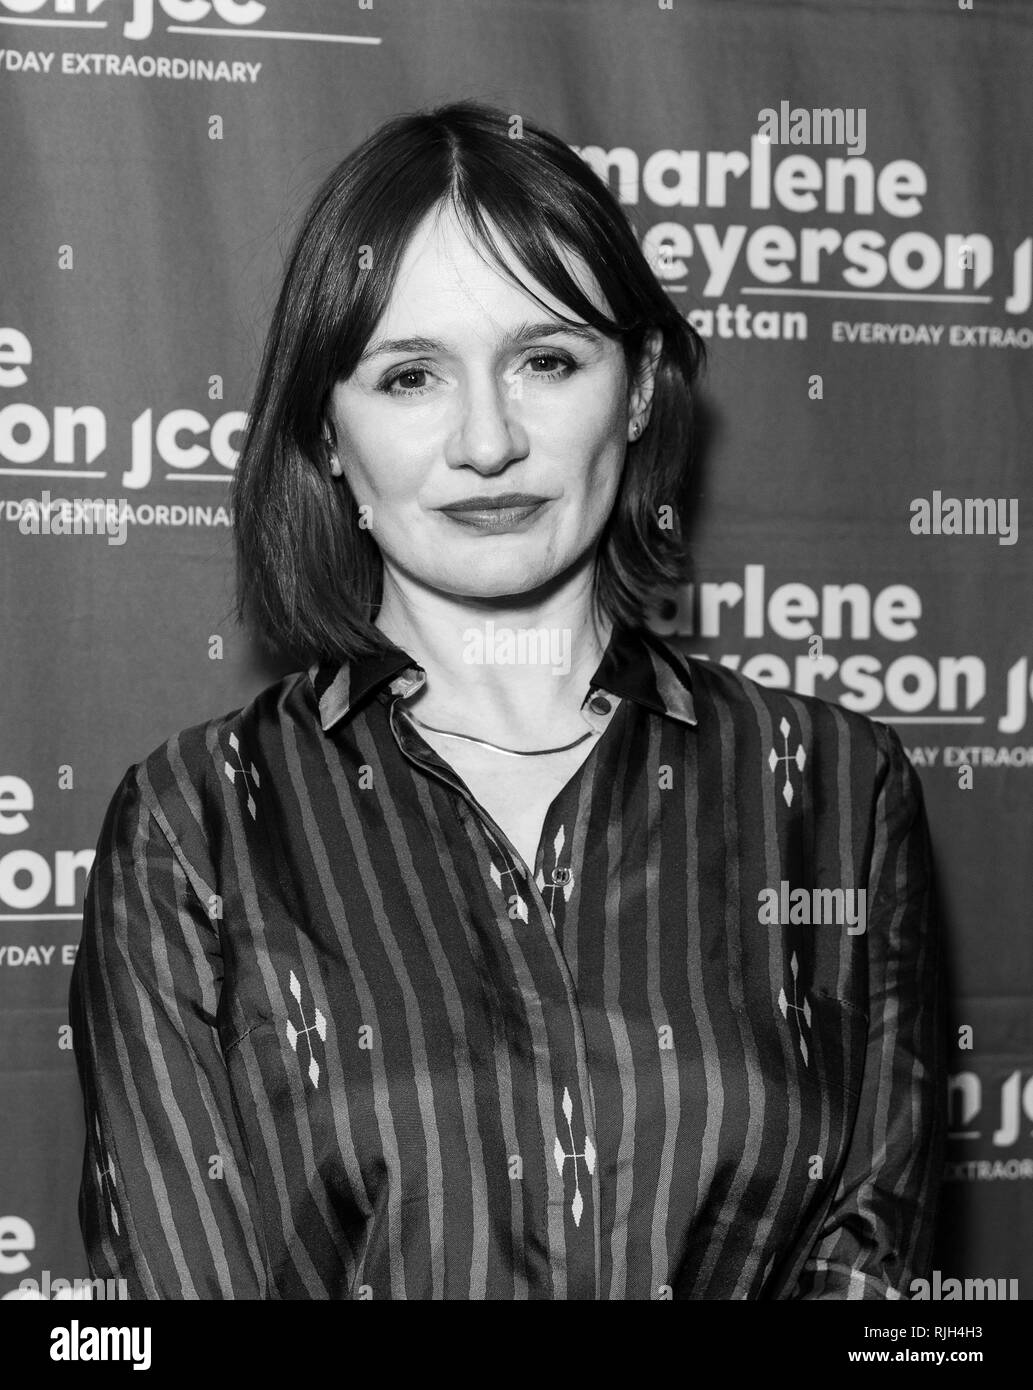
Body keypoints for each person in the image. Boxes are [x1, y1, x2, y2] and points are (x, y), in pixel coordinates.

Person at [69, 99, 944, 1300]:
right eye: (411, 374)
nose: (487, 441)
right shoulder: (195, 827)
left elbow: (869, 1283)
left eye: (546, 359)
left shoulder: (833, 786)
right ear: (326, 430)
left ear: (636, 391)